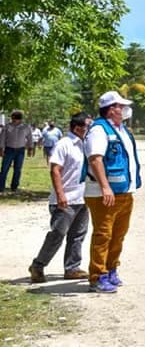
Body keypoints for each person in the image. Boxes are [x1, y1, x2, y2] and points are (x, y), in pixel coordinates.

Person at [84, 91, 142, 294]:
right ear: (111, 109)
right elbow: (95, 159)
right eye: (121, 105)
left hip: (124, 192)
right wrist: (105, 187)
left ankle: (111, 269)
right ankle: (97, 276)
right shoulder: (99, 130)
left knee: (118, 235)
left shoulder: (122, 130)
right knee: (103, 234)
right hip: (103, 194)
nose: (125, 109)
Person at [29, 113, 91, 283]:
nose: (90, 129)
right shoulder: (64, 144)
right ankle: (38, 265)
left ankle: (72, 268)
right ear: (78, 128)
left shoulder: (85, 145)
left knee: (78, 234)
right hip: (65, 199)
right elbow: (55, 170)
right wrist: (60, 194)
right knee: (57, 234)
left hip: (82, 198)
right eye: (88, 125)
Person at [0, 110, 33, 192]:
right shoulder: (7, 126)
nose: (14, 121)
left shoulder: (26, 127)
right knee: (4, 169)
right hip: (9, 150)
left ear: (20, 119)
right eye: (13, 119)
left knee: (17, 169)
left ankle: (14, 187)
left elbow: (30, 138)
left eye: (16, 119)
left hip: (20, 150)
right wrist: (1, 149)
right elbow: (2, 139)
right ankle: (1, 187)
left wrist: (30, 148)